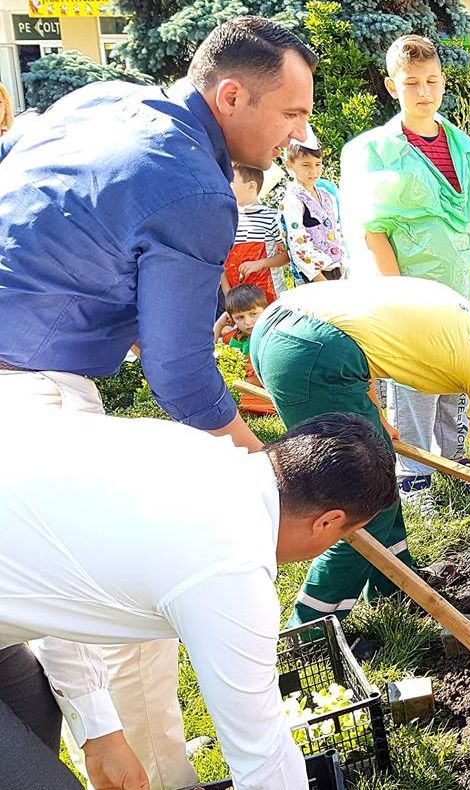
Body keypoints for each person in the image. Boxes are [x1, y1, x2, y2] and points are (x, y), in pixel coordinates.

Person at [0, 16, 316, 789]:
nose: (298, 133)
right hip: (30, 386)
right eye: (292, 115)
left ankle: (89, 741)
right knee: (127, 610)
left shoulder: (104, 100)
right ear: (232, 94)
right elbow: (180, 379)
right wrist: (265, 470)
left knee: (29, 593)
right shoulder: (198, 190)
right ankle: (151, 772)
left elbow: (32, 191)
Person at [0, 409, 398, 790]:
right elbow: (261, 755)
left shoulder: (192, 448)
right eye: (343, 534)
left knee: (33, 709)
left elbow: (54, 576)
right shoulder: (230, 567)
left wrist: (98, 730)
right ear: (326, 521)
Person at [250, 276, 470, 625]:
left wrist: (377, 414)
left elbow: (365, 334)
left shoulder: (466, 317)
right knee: (359, 498)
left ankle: (394, 585)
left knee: (380, 483)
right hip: (315, 353)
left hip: (282, 327)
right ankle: (313, 630)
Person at [340, 34, 470, 505]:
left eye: (432, 81)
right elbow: (374, 230)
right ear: (393, 86)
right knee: (414, 382)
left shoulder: (466, 151)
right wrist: (399, 293)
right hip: (410, 292)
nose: (424, 91)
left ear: (444, 81)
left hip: (459, 288)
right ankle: (413, 476)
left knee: (456, 377)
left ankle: (452, 464)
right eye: (412, 83)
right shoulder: (375, 152)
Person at [223, 162, 291, 302]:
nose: (227, 185)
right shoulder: (225, 219)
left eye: (232, 181)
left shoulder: (272, 216)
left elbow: (288, 256)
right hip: (237, 302)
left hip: (269, 296)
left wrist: (259, 264)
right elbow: (220, 261)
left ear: (251, 186)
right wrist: (228, 294)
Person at [282, 137, 345, 283]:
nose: (314, 171)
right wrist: (320, 280)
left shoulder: (326, 195)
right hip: (313, 276)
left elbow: (337, 230)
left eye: (318, 164)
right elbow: (297, 243)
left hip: (337, 270)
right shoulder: (293, 199)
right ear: (289, 164)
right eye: (306, 165)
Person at [214, 284, 276, 415]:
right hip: (242, 386)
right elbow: (210, 349)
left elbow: (258, 380)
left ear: (266, 310)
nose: (248, 322)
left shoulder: (271, 336)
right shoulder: (236, 336)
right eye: (240, 317)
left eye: (253, 314)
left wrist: (233, 382)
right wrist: (219, 324)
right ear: (231, 318)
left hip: (260, 387)